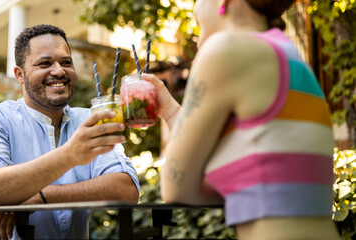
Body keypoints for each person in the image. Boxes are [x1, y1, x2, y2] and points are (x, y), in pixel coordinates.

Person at [142, 0, 340, 239]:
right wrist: (171, 111)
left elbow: (176, 188)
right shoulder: (289, 56)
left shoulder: (225, 49)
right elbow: (264, 179)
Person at [0, 24, 139, 240]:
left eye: (66, 62)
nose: (59, 71)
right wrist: (70, 155)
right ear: (20, 74)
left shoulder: (90, 120)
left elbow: (126, 190)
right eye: (45, 63)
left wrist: (41, 197)